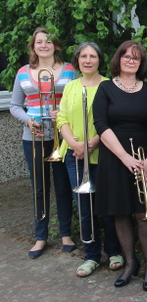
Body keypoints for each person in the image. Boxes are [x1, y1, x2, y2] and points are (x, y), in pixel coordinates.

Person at [93, 40, 147, 291]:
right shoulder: (105, 88)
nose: (131, 61)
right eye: (127, 57)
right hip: (115, 156)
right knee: (121, 212)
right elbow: (101, 124)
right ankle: (131, 264)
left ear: (141, 63)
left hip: (144, 156)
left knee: (144, 213)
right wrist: (124, 157)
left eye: (136, 58)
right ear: (118, 59)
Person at [9, 27, 77, 259]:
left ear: (56, 46)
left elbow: (77, 99)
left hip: (62, 136)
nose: (44, 45)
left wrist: (64, 113)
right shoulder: (23, 72)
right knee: (39, 188)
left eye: (48, 42)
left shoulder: (69, 70)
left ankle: (66, 234)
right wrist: (28, 120)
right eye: (39, 42)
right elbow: (15, 105)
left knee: (63, 186)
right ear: (33, 46)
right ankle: (41, 237)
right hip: (34, 137)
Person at [57, 42, 122, 277]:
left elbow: (110, 119)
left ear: (99, 60)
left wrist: (91, 143)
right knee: (84, 208)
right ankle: (91, 256)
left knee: (106, 206)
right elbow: (62, 118)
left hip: (101, 153)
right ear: (77, 60)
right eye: (83, 56)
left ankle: (114, 251)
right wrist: (75, 145)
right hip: (74, 156)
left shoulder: (107, 85)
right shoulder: (71, 86)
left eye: (92, 56)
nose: (87, 60)